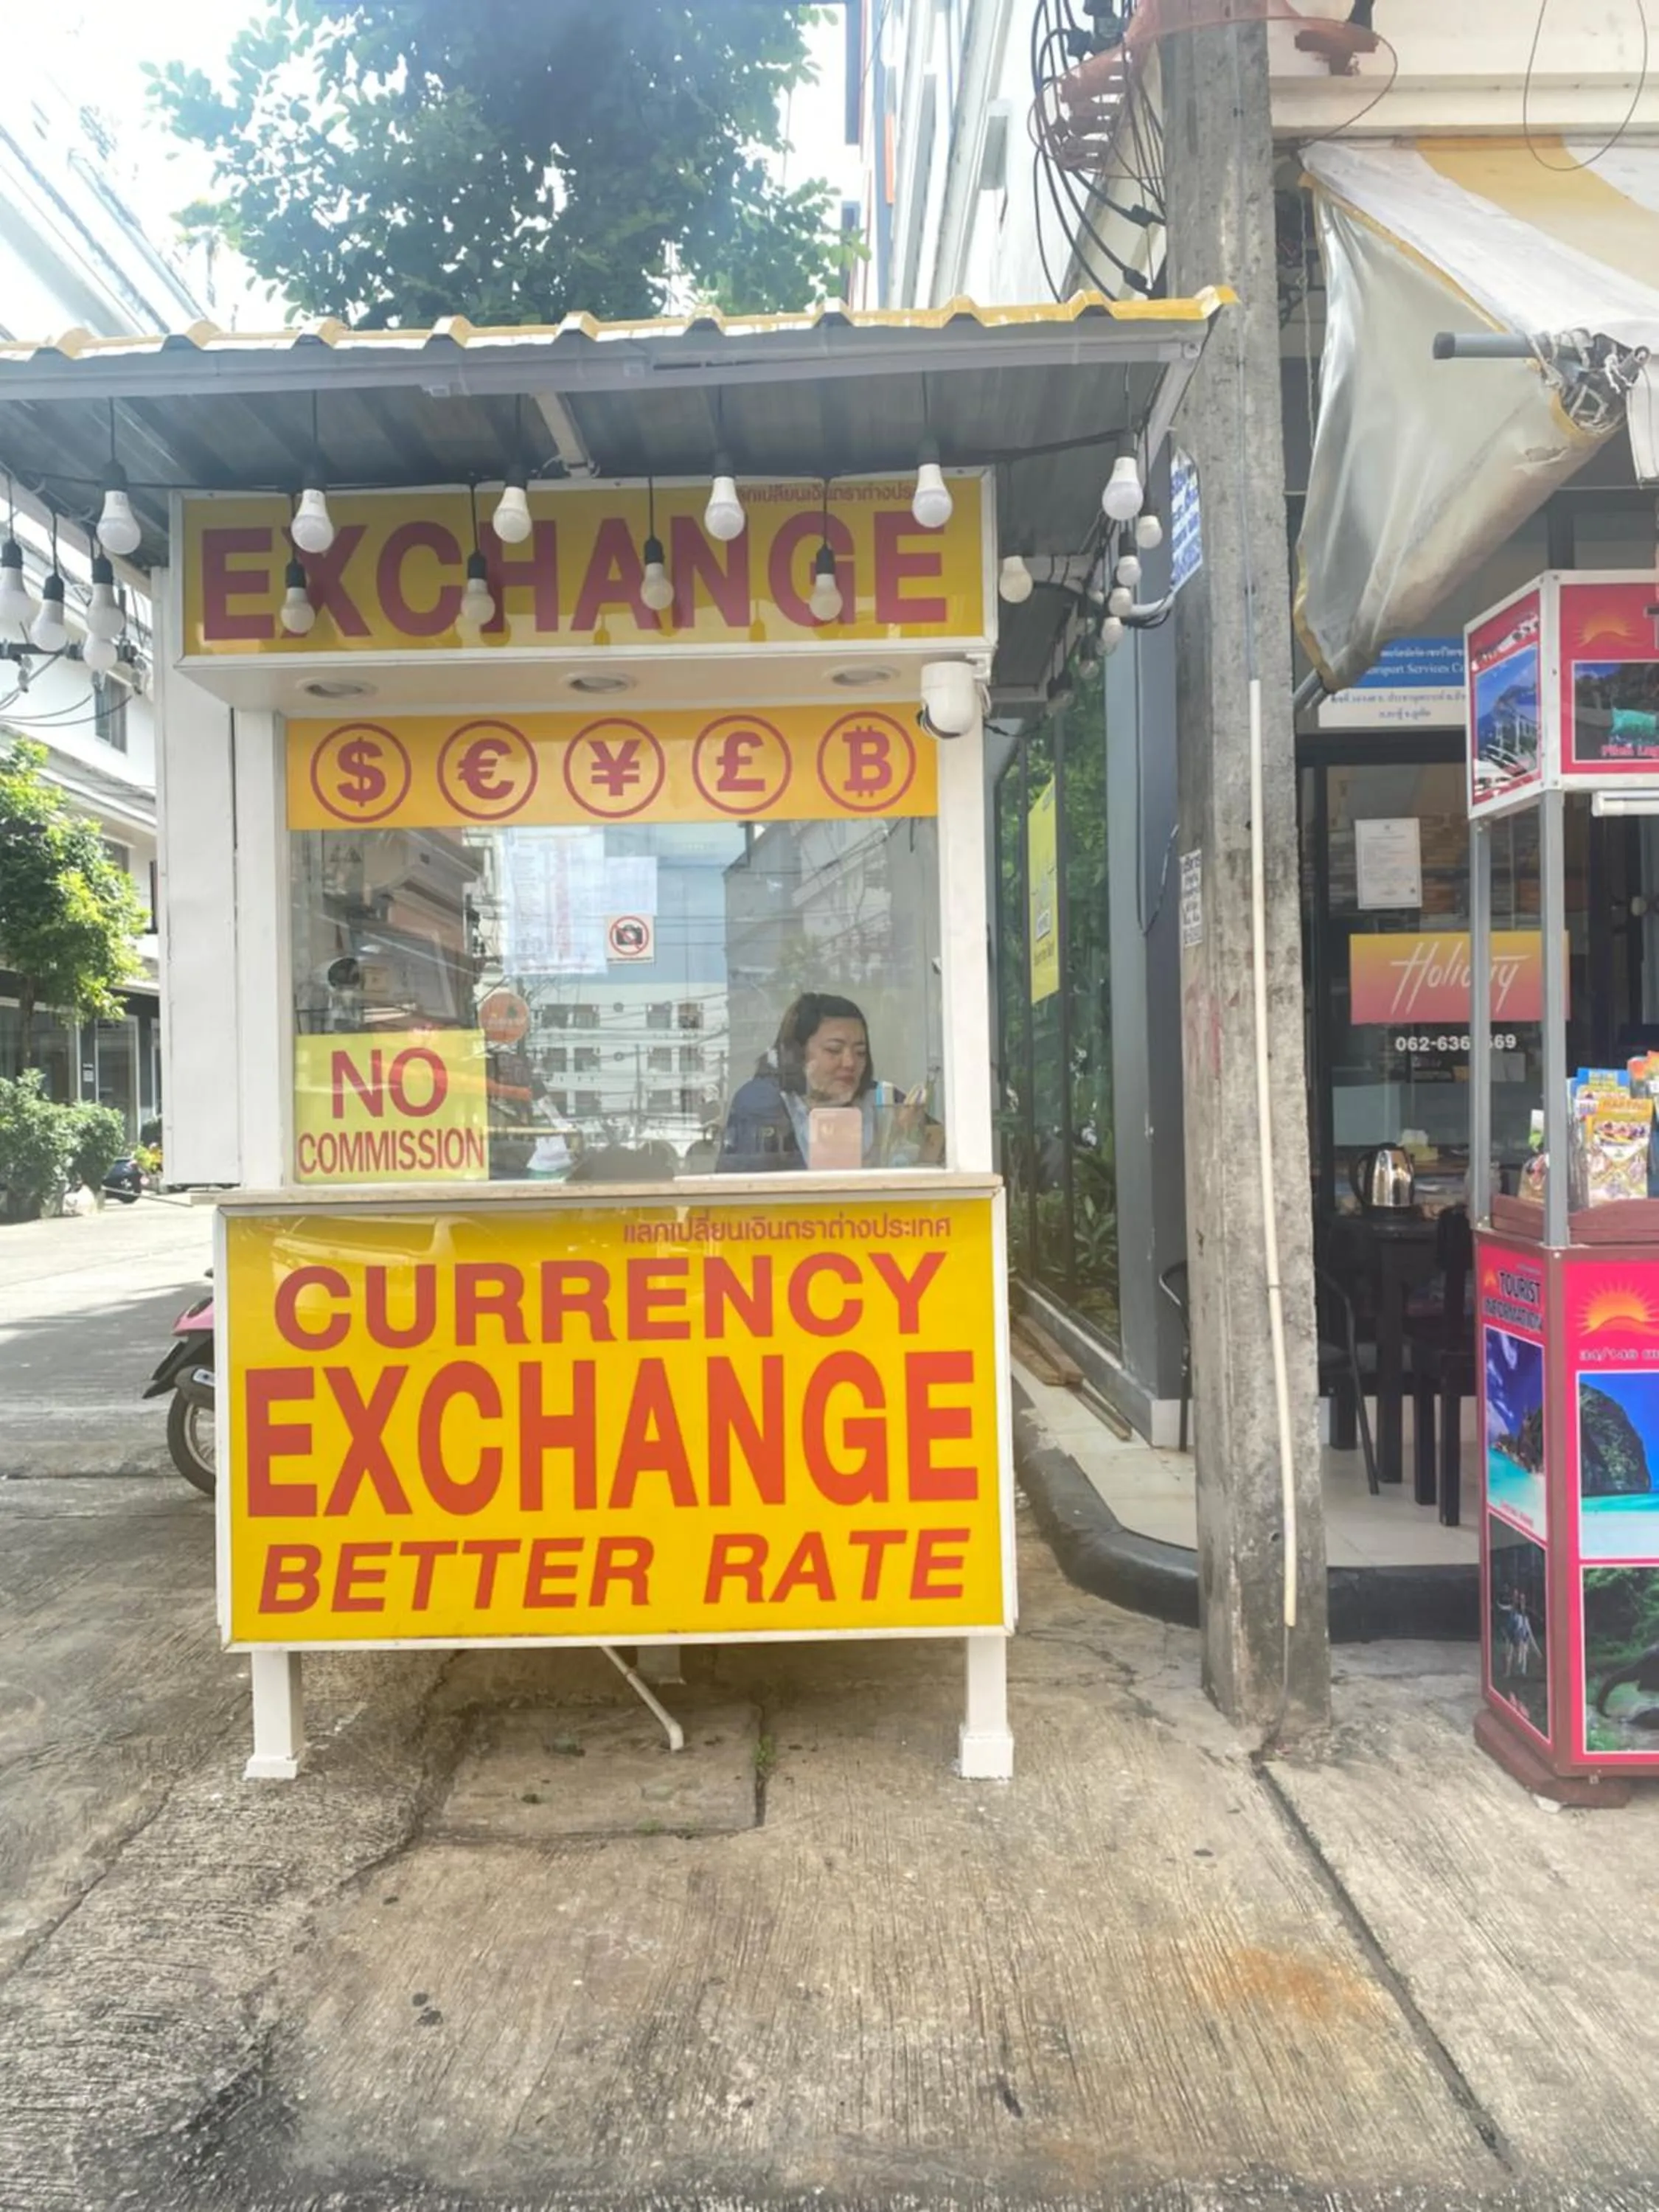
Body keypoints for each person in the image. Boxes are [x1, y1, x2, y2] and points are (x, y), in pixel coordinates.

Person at [716, 991, 942, 1173]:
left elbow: (944, 1152)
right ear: (797, 1053)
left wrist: (905, 1141)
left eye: (861, 1052)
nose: (850, 1062)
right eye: (834, 1050)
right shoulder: (762, 1103)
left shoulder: (884, 1100)